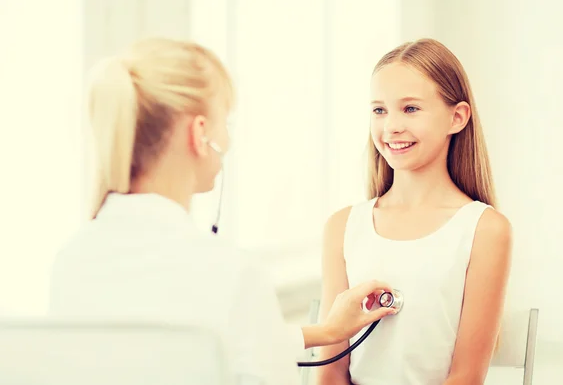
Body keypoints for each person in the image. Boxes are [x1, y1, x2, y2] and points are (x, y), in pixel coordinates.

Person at [47, 38, 399, 384]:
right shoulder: (232, 273)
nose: (227, 142)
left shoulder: (71, 261)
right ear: (200, 133)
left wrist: (327, 331)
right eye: (224, 123)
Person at [315, 39, 513, 385]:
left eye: (410, 109)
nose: (391, 126)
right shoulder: (342, 227)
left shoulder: (485, 230)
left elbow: (466, 377)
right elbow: (330, 370)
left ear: (457, 117)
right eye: (379, 110)